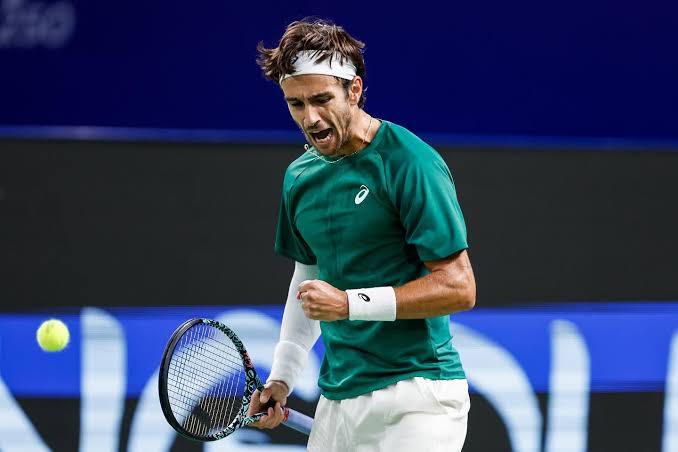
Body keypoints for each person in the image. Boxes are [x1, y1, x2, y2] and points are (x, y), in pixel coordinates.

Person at [249, 18, 476, 452]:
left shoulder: (410, 162)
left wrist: (349, 304)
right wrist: (282, 376)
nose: (310, 118)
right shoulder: (299, 177)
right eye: (296, 103)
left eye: (322, 99)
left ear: (353, 90)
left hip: (418, 397)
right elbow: (309, 278)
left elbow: (459, 287)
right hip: (338, 401)